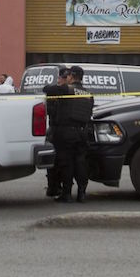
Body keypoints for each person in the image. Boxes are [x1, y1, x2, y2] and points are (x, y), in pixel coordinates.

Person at [43, 65, 94, 202]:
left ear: (71, 76)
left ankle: (66, 194)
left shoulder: (67, 89)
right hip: (83, 133)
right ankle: (82, 193)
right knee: (80, 162)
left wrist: (60, 84)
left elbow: (46, 90)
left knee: (67, 163)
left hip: (66, 133)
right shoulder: (88, 93)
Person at [43, 67, 70, 198]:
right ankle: (54, 187)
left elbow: (47, 89)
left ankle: (58, 188)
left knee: (62, 161)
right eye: (61, 78)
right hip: (56, 129)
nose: (62, 80)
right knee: (57, 161)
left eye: (64, 78)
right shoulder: (57, 90)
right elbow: (46, 90)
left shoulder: (66, 90)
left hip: (62, 130)